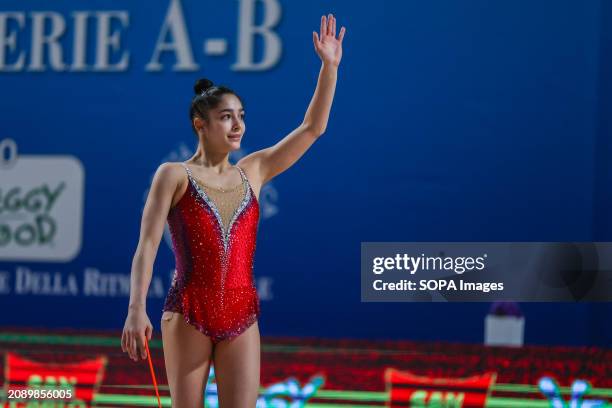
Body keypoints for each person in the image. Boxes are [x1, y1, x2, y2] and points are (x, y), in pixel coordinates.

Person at [121, 13, 346, 407]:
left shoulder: (254, 171)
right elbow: (147, 246)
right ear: (200, 125)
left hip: (242, 314)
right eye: (226, 117)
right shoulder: (174, 175)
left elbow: (313, 128)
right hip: (188, 310)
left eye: (241, 116)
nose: (237, 125)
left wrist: (329, 67)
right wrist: (135, 309)